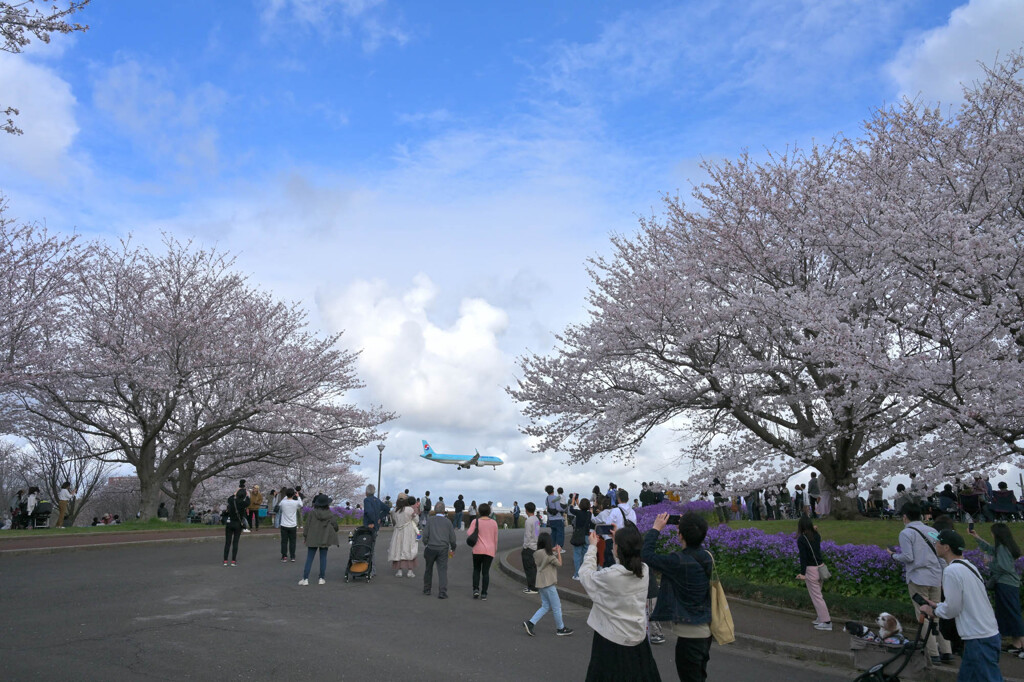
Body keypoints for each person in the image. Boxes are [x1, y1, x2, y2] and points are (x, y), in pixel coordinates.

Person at [918, 529, 1002, 681]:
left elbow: (952, 609)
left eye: (938, 542)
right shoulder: (969, 566)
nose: (935, 544)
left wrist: (932, 610)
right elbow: (960, 602)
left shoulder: (951, 571)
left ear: (946, 547)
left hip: (978, 639)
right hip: (986, 634)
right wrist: (938, 606)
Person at [582, 524, 658, 681]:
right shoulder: (643, 570)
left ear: (618, 548)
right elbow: (626, 564)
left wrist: (592, 547)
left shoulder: (610, 576)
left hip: (610, 641)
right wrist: (620, 540)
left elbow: (585, 575)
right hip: (638, 641)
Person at [643, 511, 713, 682]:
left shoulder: (677, 561)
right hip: (705, 630)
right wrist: (689, 528)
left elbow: (646, 555)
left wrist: (656, 529)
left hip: (689, 635)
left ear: (680, 535)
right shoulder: (707, 557)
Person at [887, 502, 952, 663]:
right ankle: (946, 651)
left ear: (905, 517)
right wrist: (944, 575)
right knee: (937, 613)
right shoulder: (932, 531)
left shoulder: (906, 533)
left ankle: (932, 653)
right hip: (935, 577)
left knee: (923, 614)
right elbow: (941, 555)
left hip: (918, 578)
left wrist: (893, 555)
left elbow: (908, 557)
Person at [970, 523, 1024, 656]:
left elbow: (1003, 567)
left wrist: (990, 564)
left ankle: (1022, 644)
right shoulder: (1004, 547)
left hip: (1006, 584)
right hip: (1007, 584)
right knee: (1009, 613)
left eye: (993, 533)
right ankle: (1016, 644)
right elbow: (990, 549)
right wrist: (976, 537)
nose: (992, 535)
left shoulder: (1003, 548)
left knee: (1012, 613)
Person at [523, 532, 573, 637]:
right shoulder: (549, 555)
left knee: (545, 606)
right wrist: (558, 552)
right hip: (549, 584)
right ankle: (560, 628)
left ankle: (531, 623)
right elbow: (559, 563)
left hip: (540, 583)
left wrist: (553, 550)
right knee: (557, 607)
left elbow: (545, 555)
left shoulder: (537, 553)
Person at [796, 515, 831, 631]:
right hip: (821, 567)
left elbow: (803, 558)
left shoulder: (802, 539)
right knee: (818, 595)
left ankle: (826, 622)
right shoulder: (816, 535)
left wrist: (802, 573)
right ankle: (821, 618)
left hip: (811, 570)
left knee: (817, 597)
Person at [299, 493, 339, 585]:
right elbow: (336, 526)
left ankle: (305, 579)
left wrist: (305, 536)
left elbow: (307, 526)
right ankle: (321, 578)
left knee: (309, 558)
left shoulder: (312, 513)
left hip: (312, 537)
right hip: (325, 538)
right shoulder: (330, 514)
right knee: (323, 558)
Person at [422, 501, 456, 598]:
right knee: (442, 570)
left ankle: (427, 589)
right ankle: (442, 591)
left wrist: (426, 543)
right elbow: (452, 539)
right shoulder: (448, 522)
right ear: (444, 510)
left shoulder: (430, 520)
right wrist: (453, 548)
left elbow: (425, 536)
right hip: (443, 549)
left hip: (431, 547)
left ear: (434, 510)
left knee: (428, 569)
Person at [467, 502, 498, 600]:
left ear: (479, 511)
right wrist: (495, 550)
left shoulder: (475, 522)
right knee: (486, 572)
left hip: (477, 549)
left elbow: (469, 533)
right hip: (490, 550)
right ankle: (484, 593)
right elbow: (495, 538)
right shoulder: (494, 523)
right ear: (489, 512)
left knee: (476, 570)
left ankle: (476, 590)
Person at [388, 495, 419, 578]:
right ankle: (410, 571)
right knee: (409, 549)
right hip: (408, 531)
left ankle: (399, 571)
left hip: (398, 532)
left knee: (398, 549)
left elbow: (394, 522)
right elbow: (416, 520)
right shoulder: (410, 510)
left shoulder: (395, 511)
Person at [570, 497, 593, 580]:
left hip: (578, 536)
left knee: (577, 555)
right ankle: (584, 573)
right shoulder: (589, 514)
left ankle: (577, 574)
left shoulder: (578, 512)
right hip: (586, 536)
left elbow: (571, 509)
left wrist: (573, 501)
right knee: (585, 555)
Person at [222, 488, 247, 566]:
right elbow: (248, 502)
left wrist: (235, 493)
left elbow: (229, 498)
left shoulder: (232, 501)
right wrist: (248, 495)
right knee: (235, 543)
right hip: (238, 524)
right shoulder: (243, 503)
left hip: (229, 523)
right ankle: (233, 561)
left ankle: (225, 560)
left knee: (227, 542)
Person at [521, 501, 540, 594]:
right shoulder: (536, 519)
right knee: (533, 568)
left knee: (528, 568)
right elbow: (536, 533)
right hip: (535, 546)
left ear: (526, 510)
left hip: (529, 547)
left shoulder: (528, 521)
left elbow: (528, 535)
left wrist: (525, 546)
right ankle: (534, 586)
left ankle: (532, 587)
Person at [278, 488, 302, 562]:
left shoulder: (283, 503)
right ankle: (292, 556)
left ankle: (284, 556)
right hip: (292, 525)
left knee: (284, 541)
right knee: (292, 541)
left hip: (284, 525)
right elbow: (301, 504)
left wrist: (286, 496)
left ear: (286, 494)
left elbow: (280, 504)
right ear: (293, 494)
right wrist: (298, 496)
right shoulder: (295, 503)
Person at [545, 485, 566, 551]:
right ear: (553, 490)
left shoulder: (547, 498)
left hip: (551, 519)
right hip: (558, 518)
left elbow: (547, 505)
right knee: (560, 534)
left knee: (553, 533)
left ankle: (552, 547)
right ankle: (559, 548)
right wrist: (563, 509)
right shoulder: (556, 498)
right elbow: (558, 508)